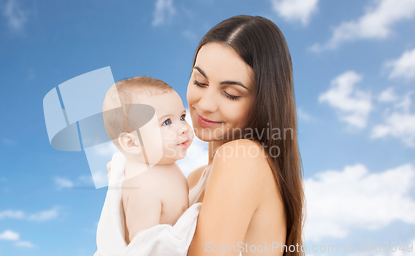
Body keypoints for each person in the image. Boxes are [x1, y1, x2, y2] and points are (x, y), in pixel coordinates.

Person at [108, 15, 305, 256]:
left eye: (231, 94)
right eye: (200, 82)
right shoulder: (190, 180)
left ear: (263, 102)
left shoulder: (242, 159)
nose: (206, 104)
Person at [101, 76, 195, 244]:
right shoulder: (144, 187)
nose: (183, 128)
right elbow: (143, 245)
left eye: (182, 117)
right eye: (167, 122)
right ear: (132, 143)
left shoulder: (164, 165)